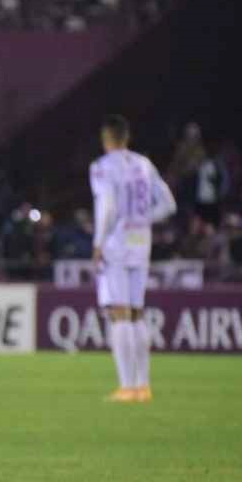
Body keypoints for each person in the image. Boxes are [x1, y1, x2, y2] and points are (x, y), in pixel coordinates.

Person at [90, 115, 176, 403]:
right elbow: (168, 204)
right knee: (138, 311)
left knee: (120, 313)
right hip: (142, 241)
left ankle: (126, 386)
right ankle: (143, 385)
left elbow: (107, 206)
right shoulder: (143, 163)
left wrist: (98, 242)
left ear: (107, 139)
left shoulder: (101, 167)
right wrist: (142, 219)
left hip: (116, 241)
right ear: (126, 138)